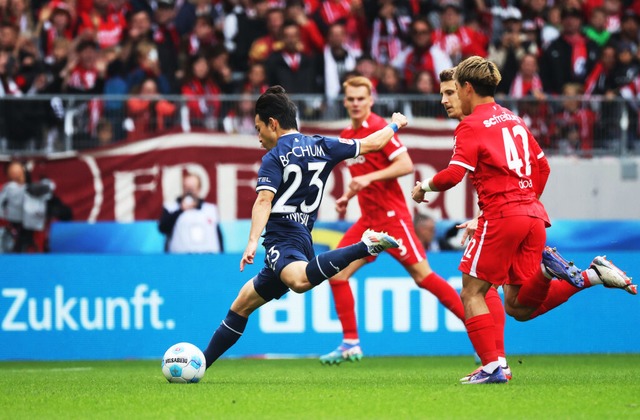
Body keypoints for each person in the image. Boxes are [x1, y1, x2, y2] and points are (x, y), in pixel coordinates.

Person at [412, 57, 635, 384]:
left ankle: (492, 368)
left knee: (472, 291)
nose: (451, 97)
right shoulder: (514, 120)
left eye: (454, 89)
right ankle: (589, 275)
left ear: (467, 88)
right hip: (532, 215)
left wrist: (424, 187)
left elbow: (452, 176)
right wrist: (525, 204)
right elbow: (543, 169)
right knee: (519, 306)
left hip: (504, 215)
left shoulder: (471, 125)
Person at [201, 86, 407, 369]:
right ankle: (201, 362)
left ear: (273, 123)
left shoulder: (274, 157)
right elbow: (372, 143)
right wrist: (395, 124)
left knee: (299, 282)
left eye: (260, 128)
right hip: (301, 236)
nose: (259, 137)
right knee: (242, 304)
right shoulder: (323, 145)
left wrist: (251, 241)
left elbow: (263, 200)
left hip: (281, 239)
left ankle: (365, 245)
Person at [317, 76, 465, 365]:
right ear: (345, 102)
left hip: (393, 218)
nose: (356, 103)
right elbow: (361, 174)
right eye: (351, 99)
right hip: (367, 221)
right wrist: (348, 195)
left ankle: (475, 330)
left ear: (371, 100)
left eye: (362, 98)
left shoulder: (379, 129)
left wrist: (368, 178)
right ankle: (350, 343)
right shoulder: (348, 133)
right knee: (337, 274)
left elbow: (405, 165)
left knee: (424, 277)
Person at [158, 172, 223, 254]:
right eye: (186, 188)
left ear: (199, 189)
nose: (189, 192)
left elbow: (218, 236)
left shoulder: (210, 209)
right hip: (179, 259)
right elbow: (163, 228)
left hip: (207, 258)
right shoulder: (171, 208)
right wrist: (180, 210)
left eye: (192, 189)